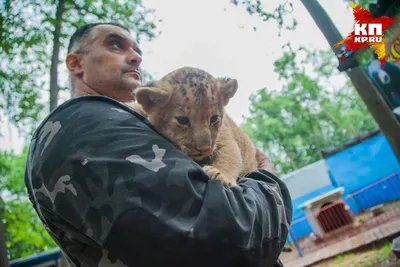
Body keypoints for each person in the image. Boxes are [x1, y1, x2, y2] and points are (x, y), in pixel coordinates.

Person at [24, 22, 292, 267]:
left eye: (137, 50)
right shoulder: (84, 128)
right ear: (75, 63)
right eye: (115, 44)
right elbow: (230, 239)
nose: (135, 56)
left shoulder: (126, 121)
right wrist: (267, 179)